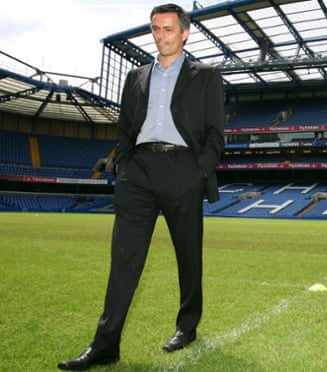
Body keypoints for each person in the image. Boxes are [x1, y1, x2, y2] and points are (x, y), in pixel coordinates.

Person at [58, 3, 225, 370]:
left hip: (183, 169)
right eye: (155, 28)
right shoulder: (136, 76)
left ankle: (187, 326)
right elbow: (125, 126)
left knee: (188, 256)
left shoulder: (207, 75)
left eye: (168, 29)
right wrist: (126, 164)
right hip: (139, 173)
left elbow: (215, 134)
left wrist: (197, 173)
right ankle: (105, 345)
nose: (161, 36)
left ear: (184, 33)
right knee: (124, 260)